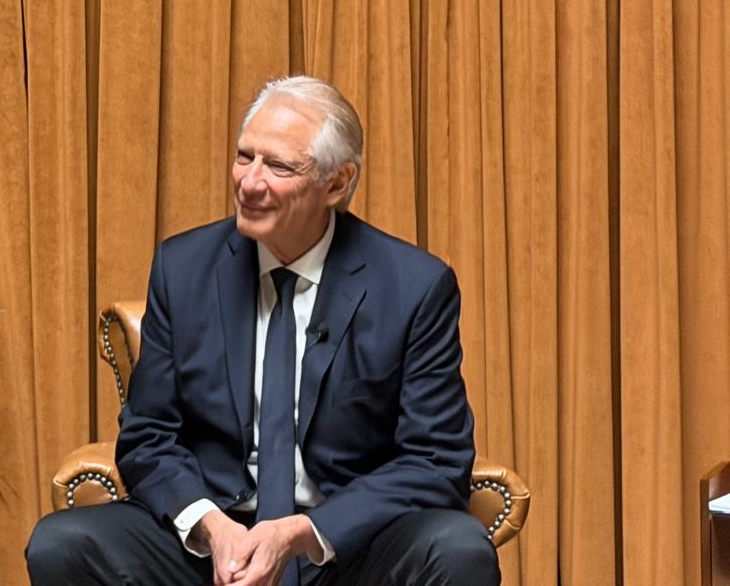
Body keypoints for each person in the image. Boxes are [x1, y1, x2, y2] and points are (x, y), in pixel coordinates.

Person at [26, 76, 500, 586]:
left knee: (457, 549)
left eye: (278, 166)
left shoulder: (414, 287)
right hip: (211, 545)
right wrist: (210, 526)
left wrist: (305, 531)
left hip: (346, 548)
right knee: (61, 544)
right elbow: (147, 439)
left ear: (337, 184)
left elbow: (435, 460)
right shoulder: (183, 269)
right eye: (243, 156)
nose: (249, 183)